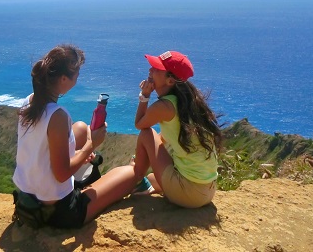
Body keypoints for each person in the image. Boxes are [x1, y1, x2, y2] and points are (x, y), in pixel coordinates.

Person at [12, 44, 137, 228]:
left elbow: (42, 149)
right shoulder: (58, 116)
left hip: (27, 197)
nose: (78, 78)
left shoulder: (30, 101)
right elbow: (62, 174)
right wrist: (91, 144)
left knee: (80, 128)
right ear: (64, 79)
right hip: (57, 210)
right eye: (77, 74)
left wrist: (79, 153)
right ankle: (137, 178)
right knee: (132, 172)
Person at [131, 50, 222, 208]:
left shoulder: (164, 106)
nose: (150, 70)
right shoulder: (187, 102)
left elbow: (140, 124)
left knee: (147, 133)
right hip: (206, 192)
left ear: (170, 81)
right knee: (151, 179)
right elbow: (165, 137)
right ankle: (147, 184)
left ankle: (135, 178)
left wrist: (144, 95)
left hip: (187, 192)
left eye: (156, 69)